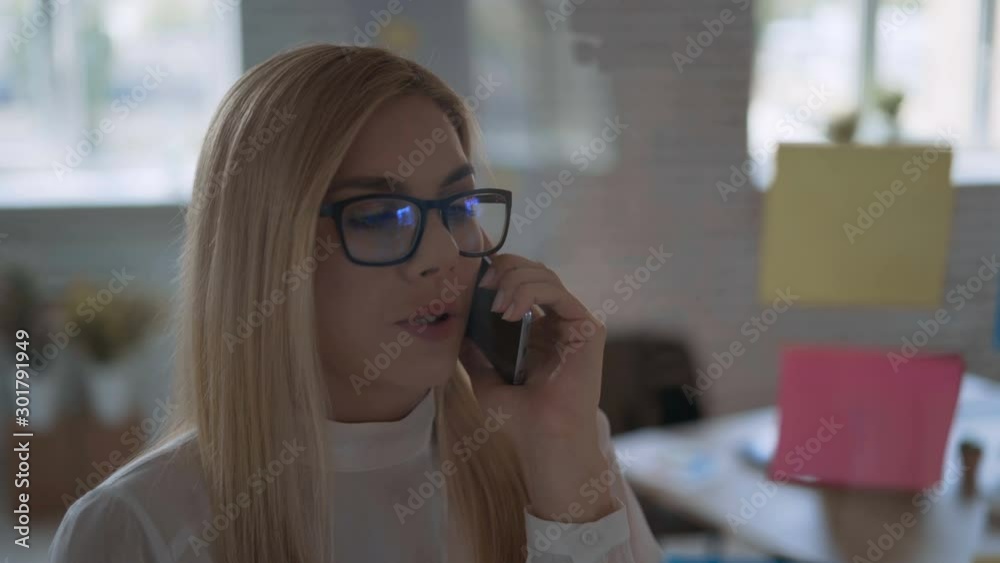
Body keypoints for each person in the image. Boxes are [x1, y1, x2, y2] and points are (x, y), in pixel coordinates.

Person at [49, 43, 663, 563]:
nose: (442, 255)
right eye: (380, 216)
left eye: (460, 207)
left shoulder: (557, 440)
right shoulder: (134, 526)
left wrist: (565, 464)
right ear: (268, 253)